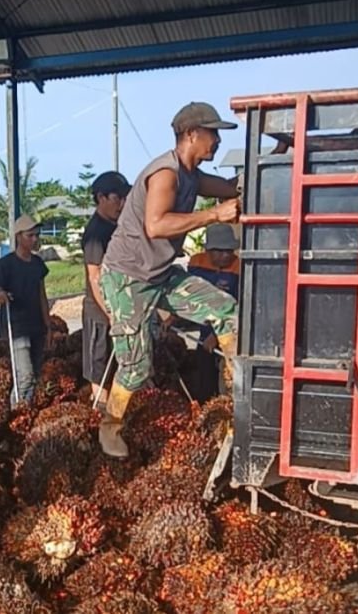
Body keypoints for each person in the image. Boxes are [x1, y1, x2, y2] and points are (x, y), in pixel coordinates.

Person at [99, 102, 241, 458]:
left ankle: (242, 391)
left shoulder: (193, 175)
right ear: (192, 134)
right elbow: (156, 225)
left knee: (225, 309)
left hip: (161, 274)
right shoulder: (166, 173)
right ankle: (110, 426)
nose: (218, 141)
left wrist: (276, 157)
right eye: (213, 133)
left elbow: (229, 188)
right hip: (128, 278)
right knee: (135, 366)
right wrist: (213, 215)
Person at [81, 171, 131, 411]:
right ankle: (99, 414)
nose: (121, 204)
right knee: (99, 369)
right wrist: (111, 314)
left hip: (124, 310)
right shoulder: (95, 233)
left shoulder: (118, 227)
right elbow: (95, 276)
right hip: (100, 313)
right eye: (116, 198)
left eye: (124, 198)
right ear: (101, 197)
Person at [0, 214, 51, 405]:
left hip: (36, 327)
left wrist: (48, 326)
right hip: (16, 328)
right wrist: (2, 296)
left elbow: (42, 295)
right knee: (24, 376)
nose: (35, 239)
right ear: (18, 236)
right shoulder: (5, 265)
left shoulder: (38, 264)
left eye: (36, 235)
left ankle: (26, 412)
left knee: (36, 374)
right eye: (30, 235)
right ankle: (17, 414)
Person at [184, 223, 242, 400]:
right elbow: (187, 296)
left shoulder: (240, 267)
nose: (227, 255)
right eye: (221, 251)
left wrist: (216, 336)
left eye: (230, 251)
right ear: (209, 251)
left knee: (229, 380)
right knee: (204, 376)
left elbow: (241, 307)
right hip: (204, 328)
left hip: (231, 331)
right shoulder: (196, 263)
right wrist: (171, 319)